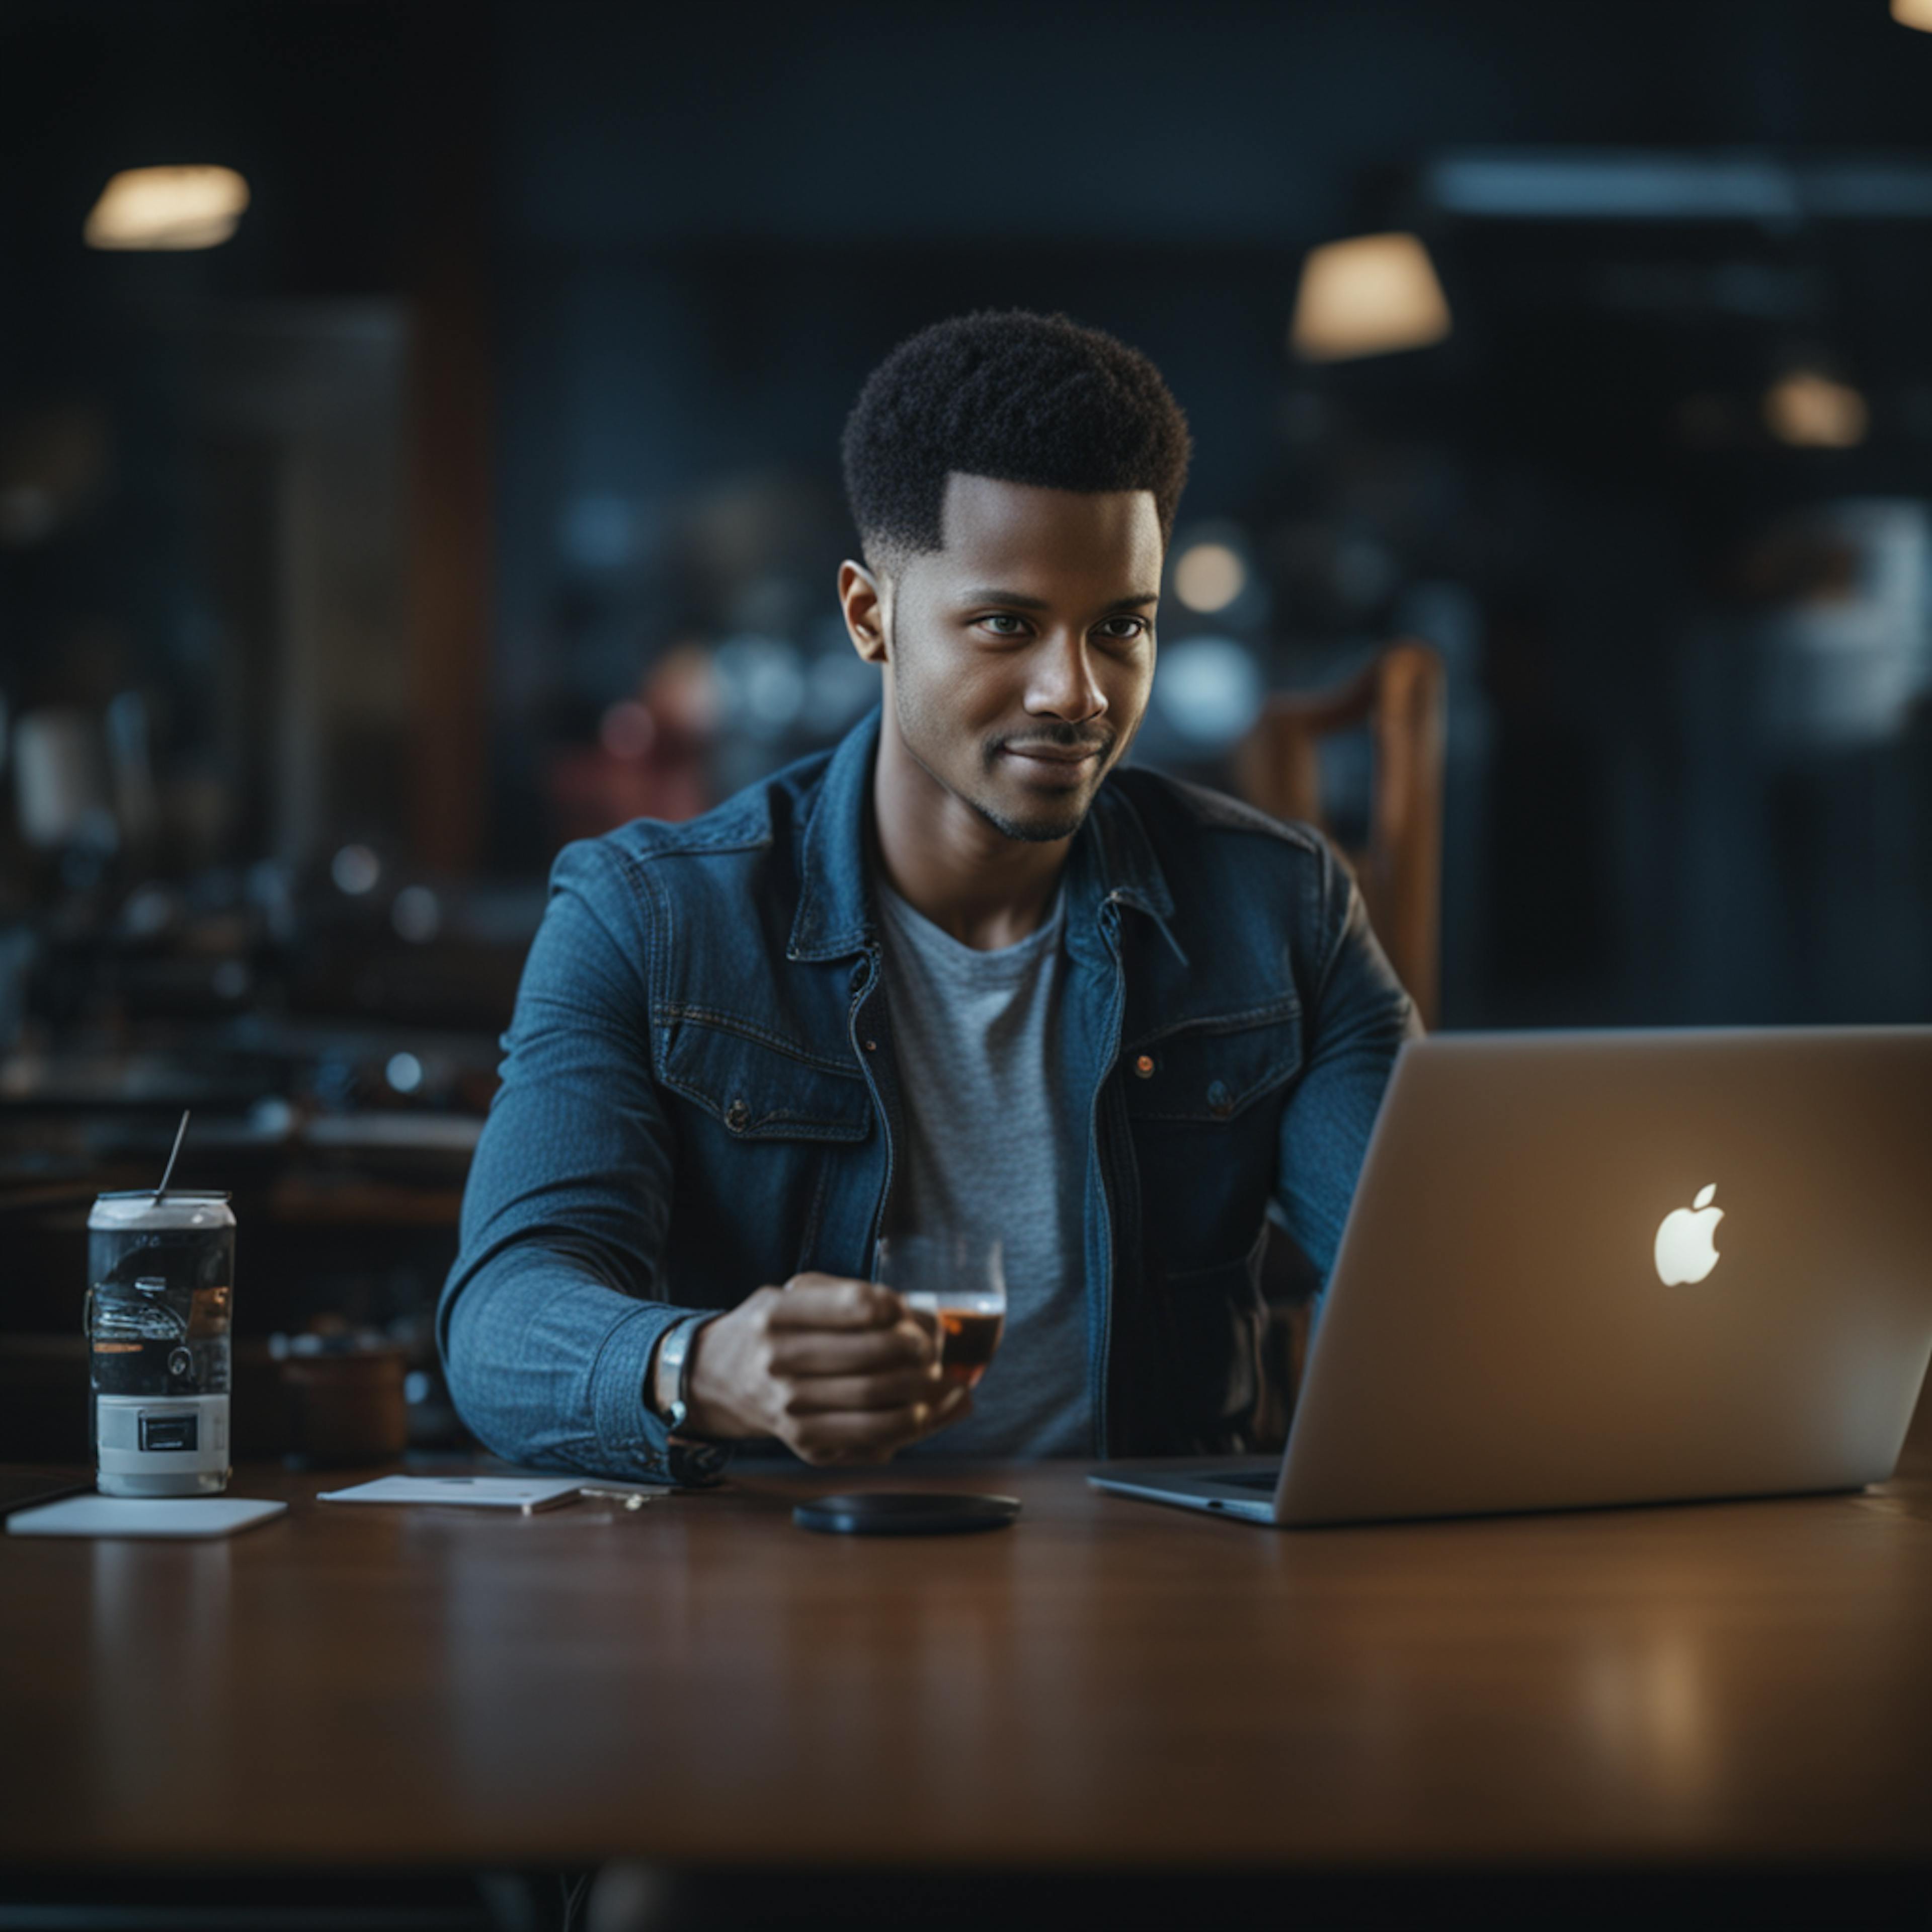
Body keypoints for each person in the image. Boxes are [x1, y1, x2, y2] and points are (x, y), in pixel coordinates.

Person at [438, 310, 1417, 1482]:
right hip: (789, 1603)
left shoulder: (1284, 911)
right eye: (1008, 624)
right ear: (871, 616)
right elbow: (500, 1322)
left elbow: (1428, 1283)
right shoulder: (649, 919)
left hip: (1163, 1601)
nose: (1077, 693)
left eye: (1123, 629)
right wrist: (707, 1367)